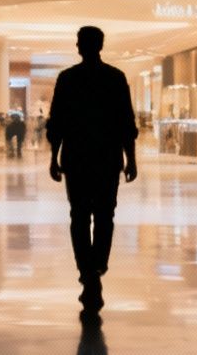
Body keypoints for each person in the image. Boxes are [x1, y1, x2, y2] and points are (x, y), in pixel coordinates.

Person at [47, 26, 138, 319]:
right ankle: (97, 266)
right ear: (100, 45)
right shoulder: (115, 78)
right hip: (107, 159)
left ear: (81, 46)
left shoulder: (68, 79)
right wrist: (131, 158)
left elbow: (57, 122)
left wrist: (53, 157)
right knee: (104, 214)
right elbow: (126, 123)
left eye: (78, 42)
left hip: (76, 158)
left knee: (79, 215)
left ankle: (87, 272)